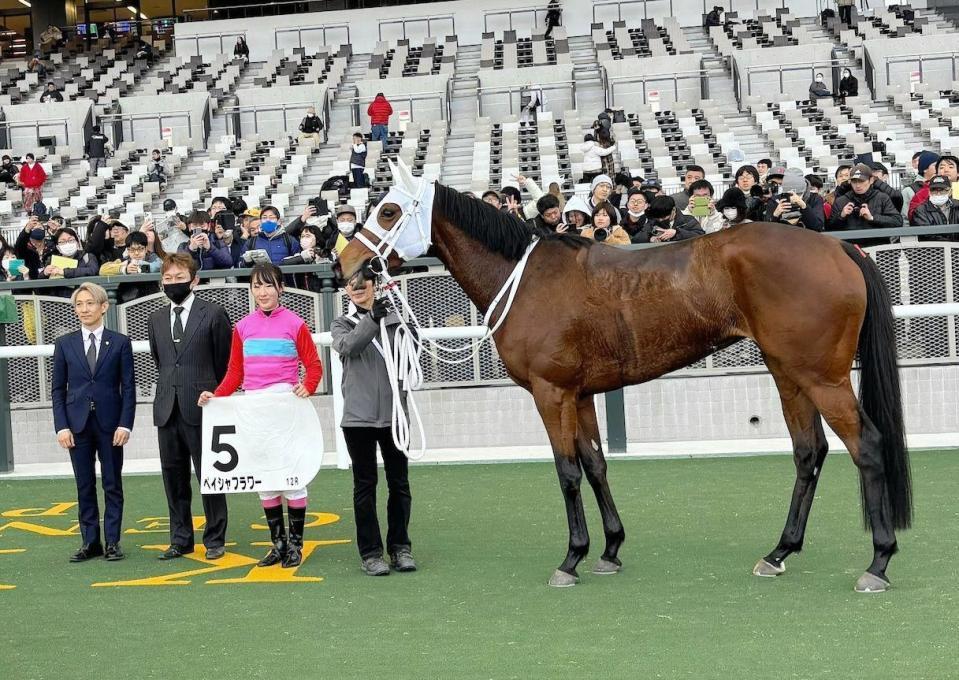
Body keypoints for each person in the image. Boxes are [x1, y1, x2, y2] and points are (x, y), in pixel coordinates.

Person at [199, 263, 323, 569]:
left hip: (285, 408)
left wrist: (308, 386)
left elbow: (314, 365)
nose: (262, 292)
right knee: (265, 480)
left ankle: (295, 545)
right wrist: (217, 396)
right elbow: (235, 372)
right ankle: (278, 545)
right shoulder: (242, 327)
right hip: (254, 408)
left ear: (280, 288)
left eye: (268, 286)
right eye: (256, 286)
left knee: (291, 477)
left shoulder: (295, 323)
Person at [149, 254, 233, 561]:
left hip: (203, 408)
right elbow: (162, 361)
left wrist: (215, 393)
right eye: (167, 279)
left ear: (194, 279)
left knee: (209, 476)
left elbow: (224, 362)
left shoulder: (213, 313)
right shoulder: (156, 319)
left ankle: (215, 538)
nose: (173, 283)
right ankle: (180, 538)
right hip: (166, 409)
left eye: (179, 276)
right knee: (173, 478)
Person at [331, 274, 414, 576]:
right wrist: (372, 319)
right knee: (365, 486)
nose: (358, 288)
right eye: (352, 284)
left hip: (394, 415)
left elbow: (411, 356)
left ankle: (400, 547)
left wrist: (395, 320)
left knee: (399, 484)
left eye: (364, 282)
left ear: (374, 286)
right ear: (345, 290)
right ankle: (370, 552)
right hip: (358, 417)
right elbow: (349, 347)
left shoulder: (396, 321)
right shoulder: (341, 323)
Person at [52, 282, 135, 563]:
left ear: (103, 306)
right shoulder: (65, 344)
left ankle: (112, 541)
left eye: (90, 303)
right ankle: (90, 542)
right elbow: (57, 389)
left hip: (110, 425)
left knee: (112, 483)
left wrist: (126, 424)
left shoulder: (121, 342)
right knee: (83, 484)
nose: (84, 309)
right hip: (76, 425)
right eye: (79, 304)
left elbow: (129, 387)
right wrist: (61, 426)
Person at [830, 163, 903, 240]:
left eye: (861, 181)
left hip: (879, 247)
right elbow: (829, 228)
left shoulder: (882, 198)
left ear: (871, 180)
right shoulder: (841, 200)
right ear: (850, 182)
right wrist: (841, 216)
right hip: (850, 248)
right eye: (854, 181)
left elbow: (897, 221)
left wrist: (872, 218)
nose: (858, 185)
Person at [632, 195, 705, 243]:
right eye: (658, 218)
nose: (660, 220)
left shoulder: (688, 220)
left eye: (664, 217)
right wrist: (650, 238)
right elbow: (636, 239)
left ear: (673, 209)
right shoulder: (653, 222)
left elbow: (701, 236)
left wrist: (676, 233)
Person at [909, 175, 959, 240]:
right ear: (929, 192)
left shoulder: (957, 206)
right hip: (933, 249)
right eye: (934, 190)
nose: (938, 193)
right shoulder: (920, 210)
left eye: (942, 190)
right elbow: (927, 235)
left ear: (950, 192)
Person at [907, 151, 942, 221]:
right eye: (935, 165)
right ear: (925, 168)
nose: (939, 168)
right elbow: (906, 219)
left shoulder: (944, 186)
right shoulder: (909, 190)